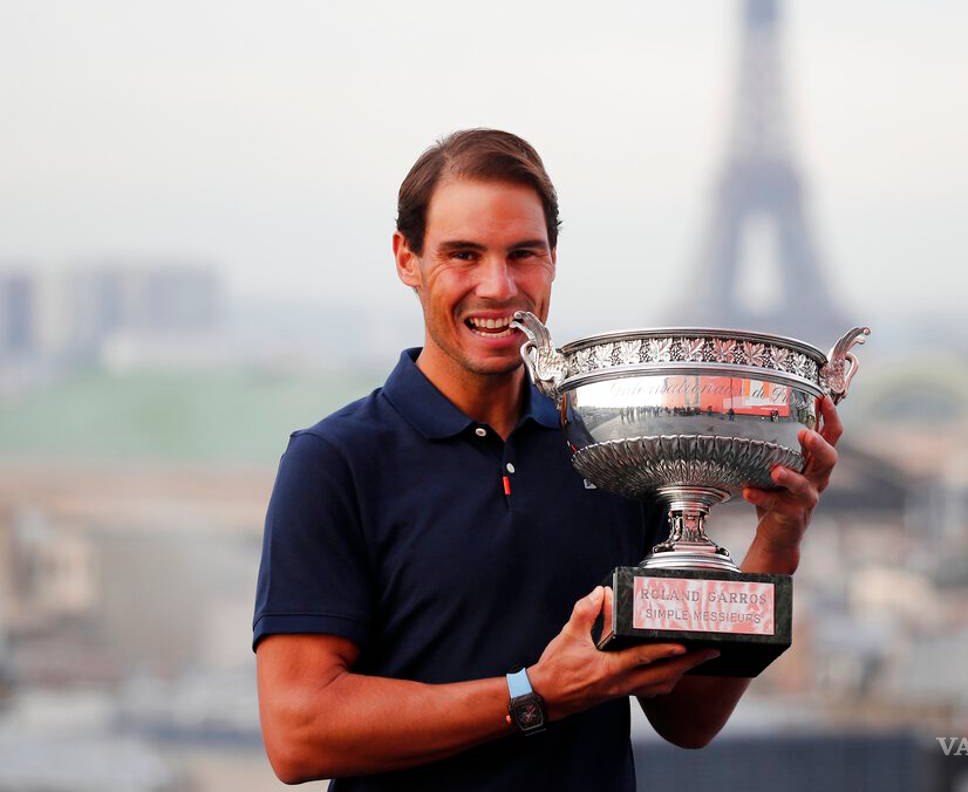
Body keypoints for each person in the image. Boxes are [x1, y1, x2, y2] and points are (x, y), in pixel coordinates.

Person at [253, 129, 842, 790]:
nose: (498, 286)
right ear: (406, 258)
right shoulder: (335, 463)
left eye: (522, 254)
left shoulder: (617, 451)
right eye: (463, 254)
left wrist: (779, 537)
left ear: (554, 259)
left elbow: (689, 716)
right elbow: (297, 734)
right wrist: (535, 694)